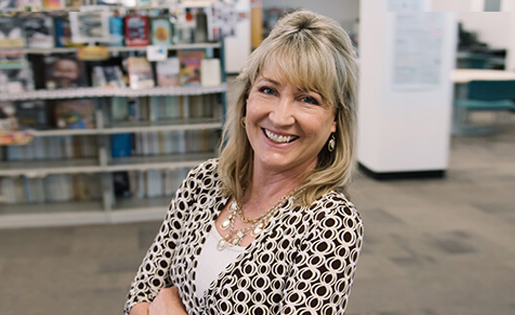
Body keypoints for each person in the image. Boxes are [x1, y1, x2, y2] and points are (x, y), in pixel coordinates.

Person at [125, 10, 362, 314]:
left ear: (335, 121)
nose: (279, 117)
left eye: (307, 99)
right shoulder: (205, 180)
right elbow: (141, 293)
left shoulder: (330, 222)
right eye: (268, 90)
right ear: (246, 99)